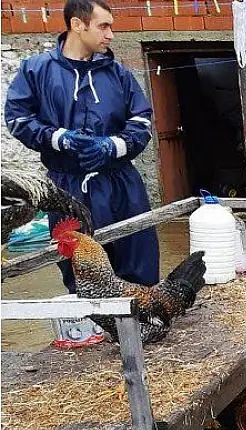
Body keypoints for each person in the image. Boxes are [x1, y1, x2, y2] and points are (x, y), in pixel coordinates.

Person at [5, 0, 158, 292]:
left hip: (121, 183)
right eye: (104, 26)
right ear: (78, 25)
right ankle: (95, 328)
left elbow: (142, 121)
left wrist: (113, 146)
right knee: (81, 268)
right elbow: (18, 119)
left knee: (137, 257)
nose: (111, 34)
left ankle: (142, 326)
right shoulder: (37, 71)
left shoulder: (118, 74)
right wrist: (59, 138)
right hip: (67, 186)